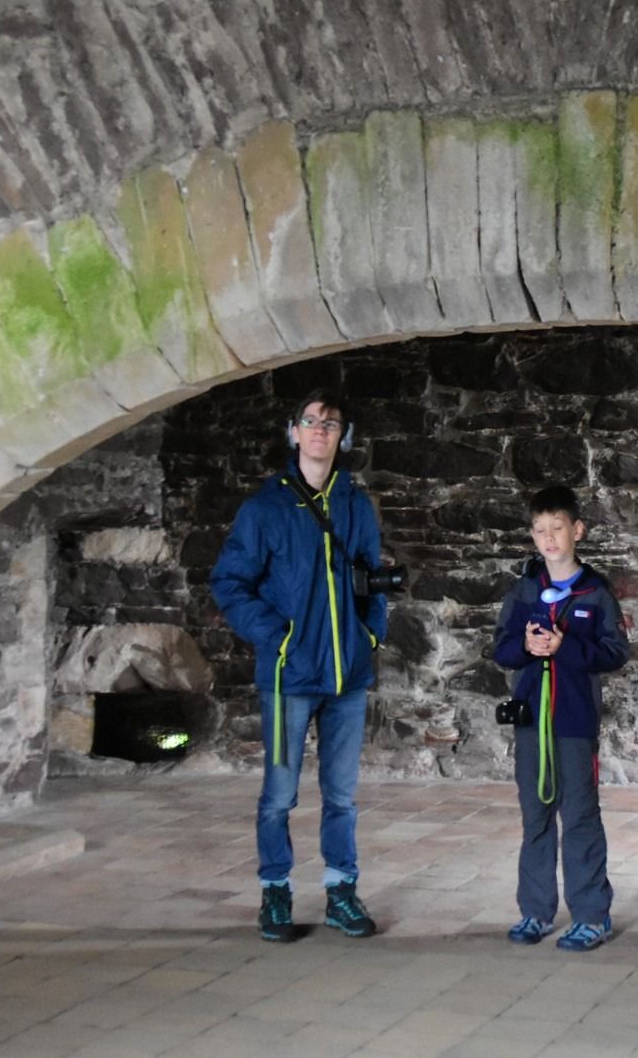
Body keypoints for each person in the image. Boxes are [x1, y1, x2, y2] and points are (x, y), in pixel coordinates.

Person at [210, 388, 387, 942]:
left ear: (343, 437)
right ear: (293, 432)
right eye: (310, 422)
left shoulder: (356, 506)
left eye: (330, 424)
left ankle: (341, 892)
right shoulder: (264, 510)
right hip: (288, 680)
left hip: (346, 680)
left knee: (342, 797)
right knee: (278, 797)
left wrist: (369, 636)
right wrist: (278, 639)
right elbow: (229, 583)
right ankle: (275, 893)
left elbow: (373, 578)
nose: (319, 431)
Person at [491, 484, 630, 951]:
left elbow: (614, 652)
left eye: (557, 528)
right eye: (540, 530)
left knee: (580, 814)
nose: (549, 539)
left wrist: (565, 647)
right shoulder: (524, 590)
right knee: (536, 815)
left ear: (577, 531)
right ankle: (535, 911)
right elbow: (502, 649)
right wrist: (527, 646)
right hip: (531, 721)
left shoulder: (596, 593)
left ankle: (591, 915)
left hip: (573, 722)